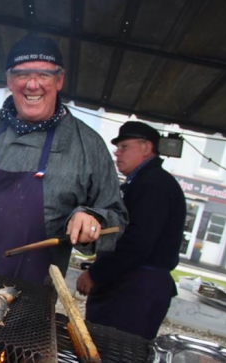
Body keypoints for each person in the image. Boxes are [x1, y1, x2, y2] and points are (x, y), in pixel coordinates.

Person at [0, 35, 127, 284]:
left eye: (43, 75)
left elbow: (116, 216)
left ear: (59, 80)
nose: (32, 84)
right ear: (9, 80)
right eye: (22, 74)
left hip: (32, 300)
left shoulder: (88, 145)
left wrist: (94, 219)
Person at [76, 121, 186, 340]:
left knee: (115, 352)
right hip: (131, 285)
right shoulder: (143, 182)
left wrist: (96, 273)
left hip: (136, 289)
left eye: (124, 147)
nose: (117, 152)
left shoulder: (154, 184)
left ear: (146, 148)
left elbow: (137, 242)